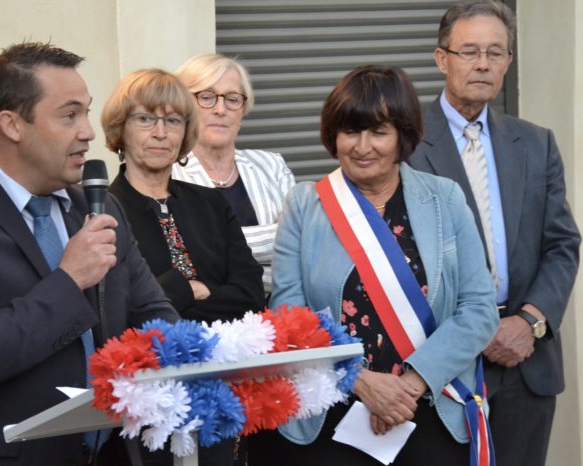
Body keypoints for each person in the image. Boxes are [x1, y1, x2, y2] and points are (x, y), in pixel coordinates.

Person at [0, 42, 179, 466]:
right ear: (12, 124)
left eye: (86, 112)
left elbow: (156, 315)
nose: (88, 131)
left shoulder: (98, 206)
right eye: (69, 114)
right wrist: (69, 279)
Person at [248, 65, 499, 466]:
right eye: (351, 131)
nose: (362, 146)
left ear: (403, 137)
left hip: (430, 406)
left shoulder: (445, 199)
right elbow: (288, 315)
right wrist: (362, 382)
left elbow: (479, 309)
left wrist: (409, 386)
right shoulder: (305, 205)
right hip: (335, 411)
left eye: (378, 132)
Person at [408, 2, 581, 465]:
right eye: (469, 51)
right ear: (442, 58)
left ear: (508, 61)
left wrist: (529, 321)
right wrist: (473, 329)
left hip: (527, 360)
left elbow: (563, 244)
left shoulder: (536, 142)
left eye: (495, 52)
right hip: (443, 361)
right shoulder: (405, 143)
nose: (482, 63)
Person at [101, 68, 265, 464]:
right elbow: (117, 316)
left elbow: (250, 295)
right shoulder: (102, 211)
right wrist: (188, 288)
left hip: (221, 392)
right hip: (141, 403)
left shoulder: (211, 203)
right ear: (121, 130)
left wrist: (164, 304)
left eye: (173, 120)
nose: (161, 132)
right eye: (145, 119)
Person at [172, 53, 295, 294]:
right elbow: (182, 260)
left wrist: (212, 251)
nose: (220, 109)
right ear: (184, 106)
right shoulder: (169, 176)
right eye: (206, 97)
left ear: (243, 108)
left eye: (232, 99)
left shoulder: (272, 166)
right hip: (207, 319)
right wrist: (276, 235)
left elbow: (300, 249)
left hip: (278, 313)